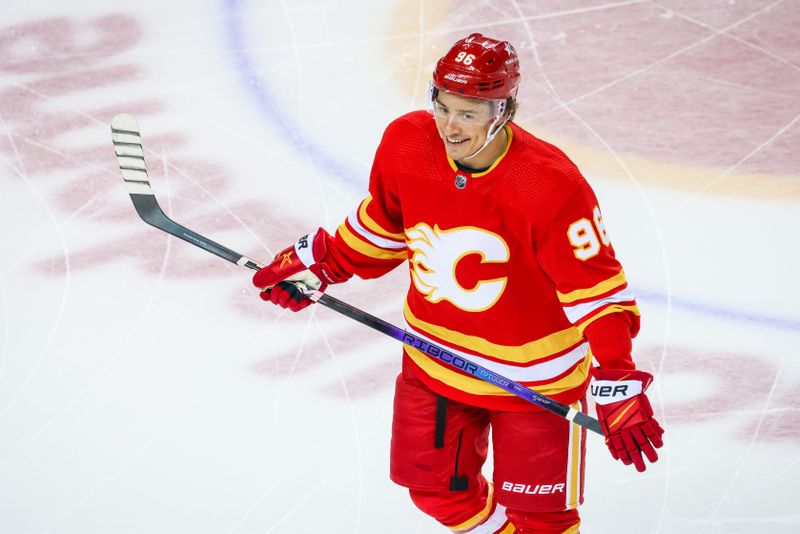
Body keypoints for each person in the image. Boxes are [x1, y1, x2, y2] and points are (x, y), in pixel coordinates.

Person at [252, 33, 664, 534]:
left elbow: (597, 293)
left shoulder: (549, 185)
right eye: (443, 107)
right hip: (434, 359)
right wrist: (322, 268)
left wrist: (616, 376)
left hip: (532, 382)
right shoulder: (407, 143)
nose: (450, 126)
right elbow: (384, 228)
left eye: (468, 114)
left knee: (542, 521)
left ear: (503, 110)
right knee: (434, 493)